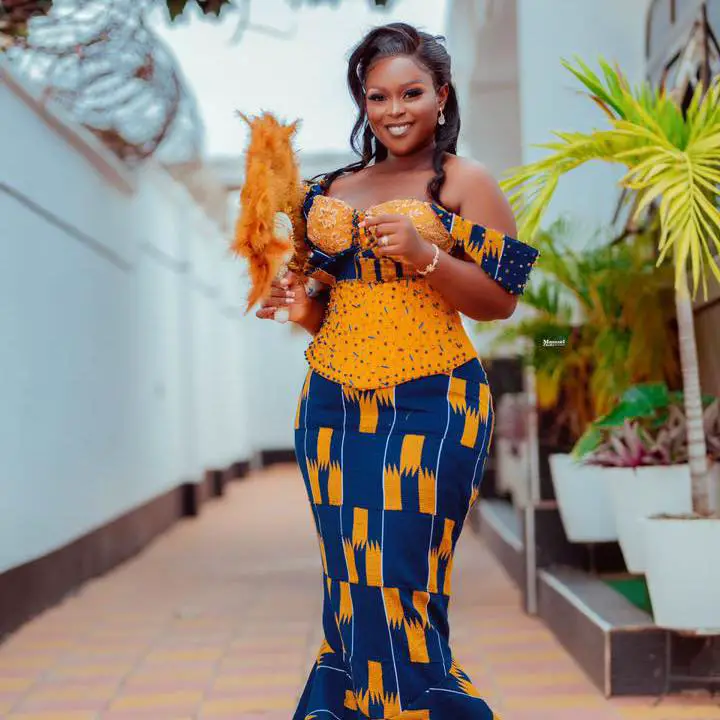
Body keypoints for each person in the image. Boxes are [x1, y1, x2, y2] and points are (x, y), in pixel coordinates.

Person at [256, 22, 538, 720]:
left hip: (434, 399)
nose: (394, 109)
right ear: (363, 103)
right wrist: (296, 306)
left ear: (441, 96)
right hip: (331, 404)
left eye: (411, 92)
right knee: (349, 581)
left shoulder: (465, 181)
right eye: (377, 96)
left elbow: (500, 299)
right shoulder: (331, 187)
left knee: (400, 576)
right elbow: (323, 306)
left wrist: (426, 254)